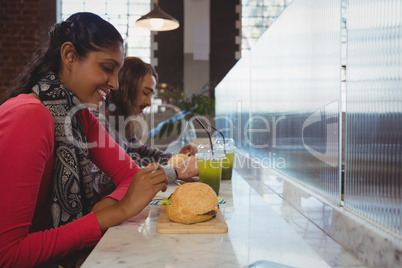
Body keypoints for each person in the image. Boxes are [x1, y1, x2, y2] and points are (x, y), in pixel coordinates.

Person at [0, 12, 168, 267]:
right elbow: (8, 255)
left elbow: (130, 175)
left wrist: (103, 211)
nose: (114, 83)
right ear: (69, 56)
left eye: (118, 73)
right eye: (107, 68)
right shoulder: (29, 115)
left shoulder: (79, 116)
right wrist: (114, 213)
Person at [90, 57, 198, 197]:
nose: (149, 103)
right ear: (126, 87)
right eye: (145, 93)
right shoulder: (98, 118)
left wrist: (179, 159)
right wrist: (175, 171)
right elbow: (104, 183)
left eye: (151, 95)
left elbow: (142, 153)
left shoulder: (121, 121)